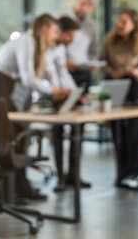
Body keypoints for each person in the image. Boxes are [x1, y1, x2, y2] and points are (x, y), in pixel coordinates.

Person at [0, 14, 71, 202]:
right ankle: (7, 193)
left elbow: (41, 74)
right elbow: (28, 77)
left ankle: (20, 188)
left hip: (6, 86)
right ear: (45, 28)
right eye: (55, 31)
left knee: (18, 137)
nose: (56, 37)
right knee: (9, 138)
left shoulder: (37, 47)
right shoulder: (26, 41)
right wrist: (54, 90)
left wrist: (57, 90)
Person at [101, 9, 138, 186]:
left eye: (124, 22)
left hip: (133, 87)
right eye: (119, 20)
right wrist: (112, 72)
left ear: (133, 26)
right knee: (117, 135)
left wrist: (135, 72)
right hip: (114, 85)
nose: (119, 25)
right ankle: (120, 174)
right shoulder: (109, 40)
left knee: (133, 135)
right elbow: (103, 62)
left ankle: (133, 173)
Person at [46, 17, 92, 192]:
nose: (71, 40)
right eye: (70, 35)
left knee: (77, 131)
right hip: (54, 93)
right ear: (60, 32)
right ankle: (61, 178)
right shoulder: (48, 47)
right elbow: (50, 74)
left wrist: (75, 93)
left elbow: (63, 72)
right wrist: (57, 92)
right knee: (57, 134)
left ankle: (74, 175)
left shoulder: (60, 48)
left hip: (64, 92)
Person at [65, 0, 99, 89]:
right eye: (82, 3)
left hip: (84, 72)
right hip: (65, 70)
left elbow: (94, 51)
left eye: (88, 5)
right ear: (77, 0)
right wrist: (64, 61)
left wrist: (94, 63)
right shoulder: (62, 19)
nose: (84, 8)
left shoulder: (92, 26)